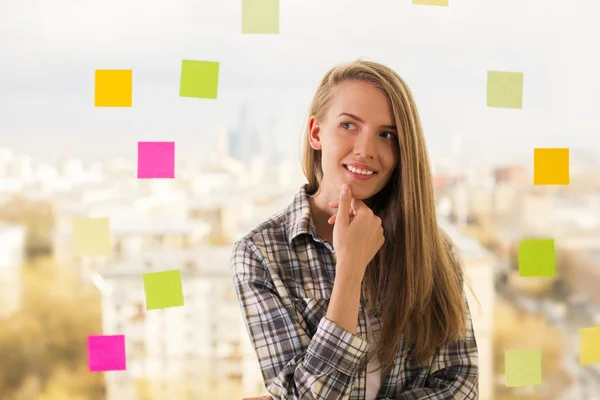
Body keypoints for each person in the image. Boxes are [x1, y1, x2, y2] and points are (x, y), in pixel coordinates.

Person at [232, 59, 479, 400]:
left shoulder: (433, 249)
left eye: (387, 135)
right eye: (349, 126)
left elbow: (460, 386)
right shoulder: (261, 254)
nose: (366, 150)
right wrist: (350, 270)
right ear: (316, 133)